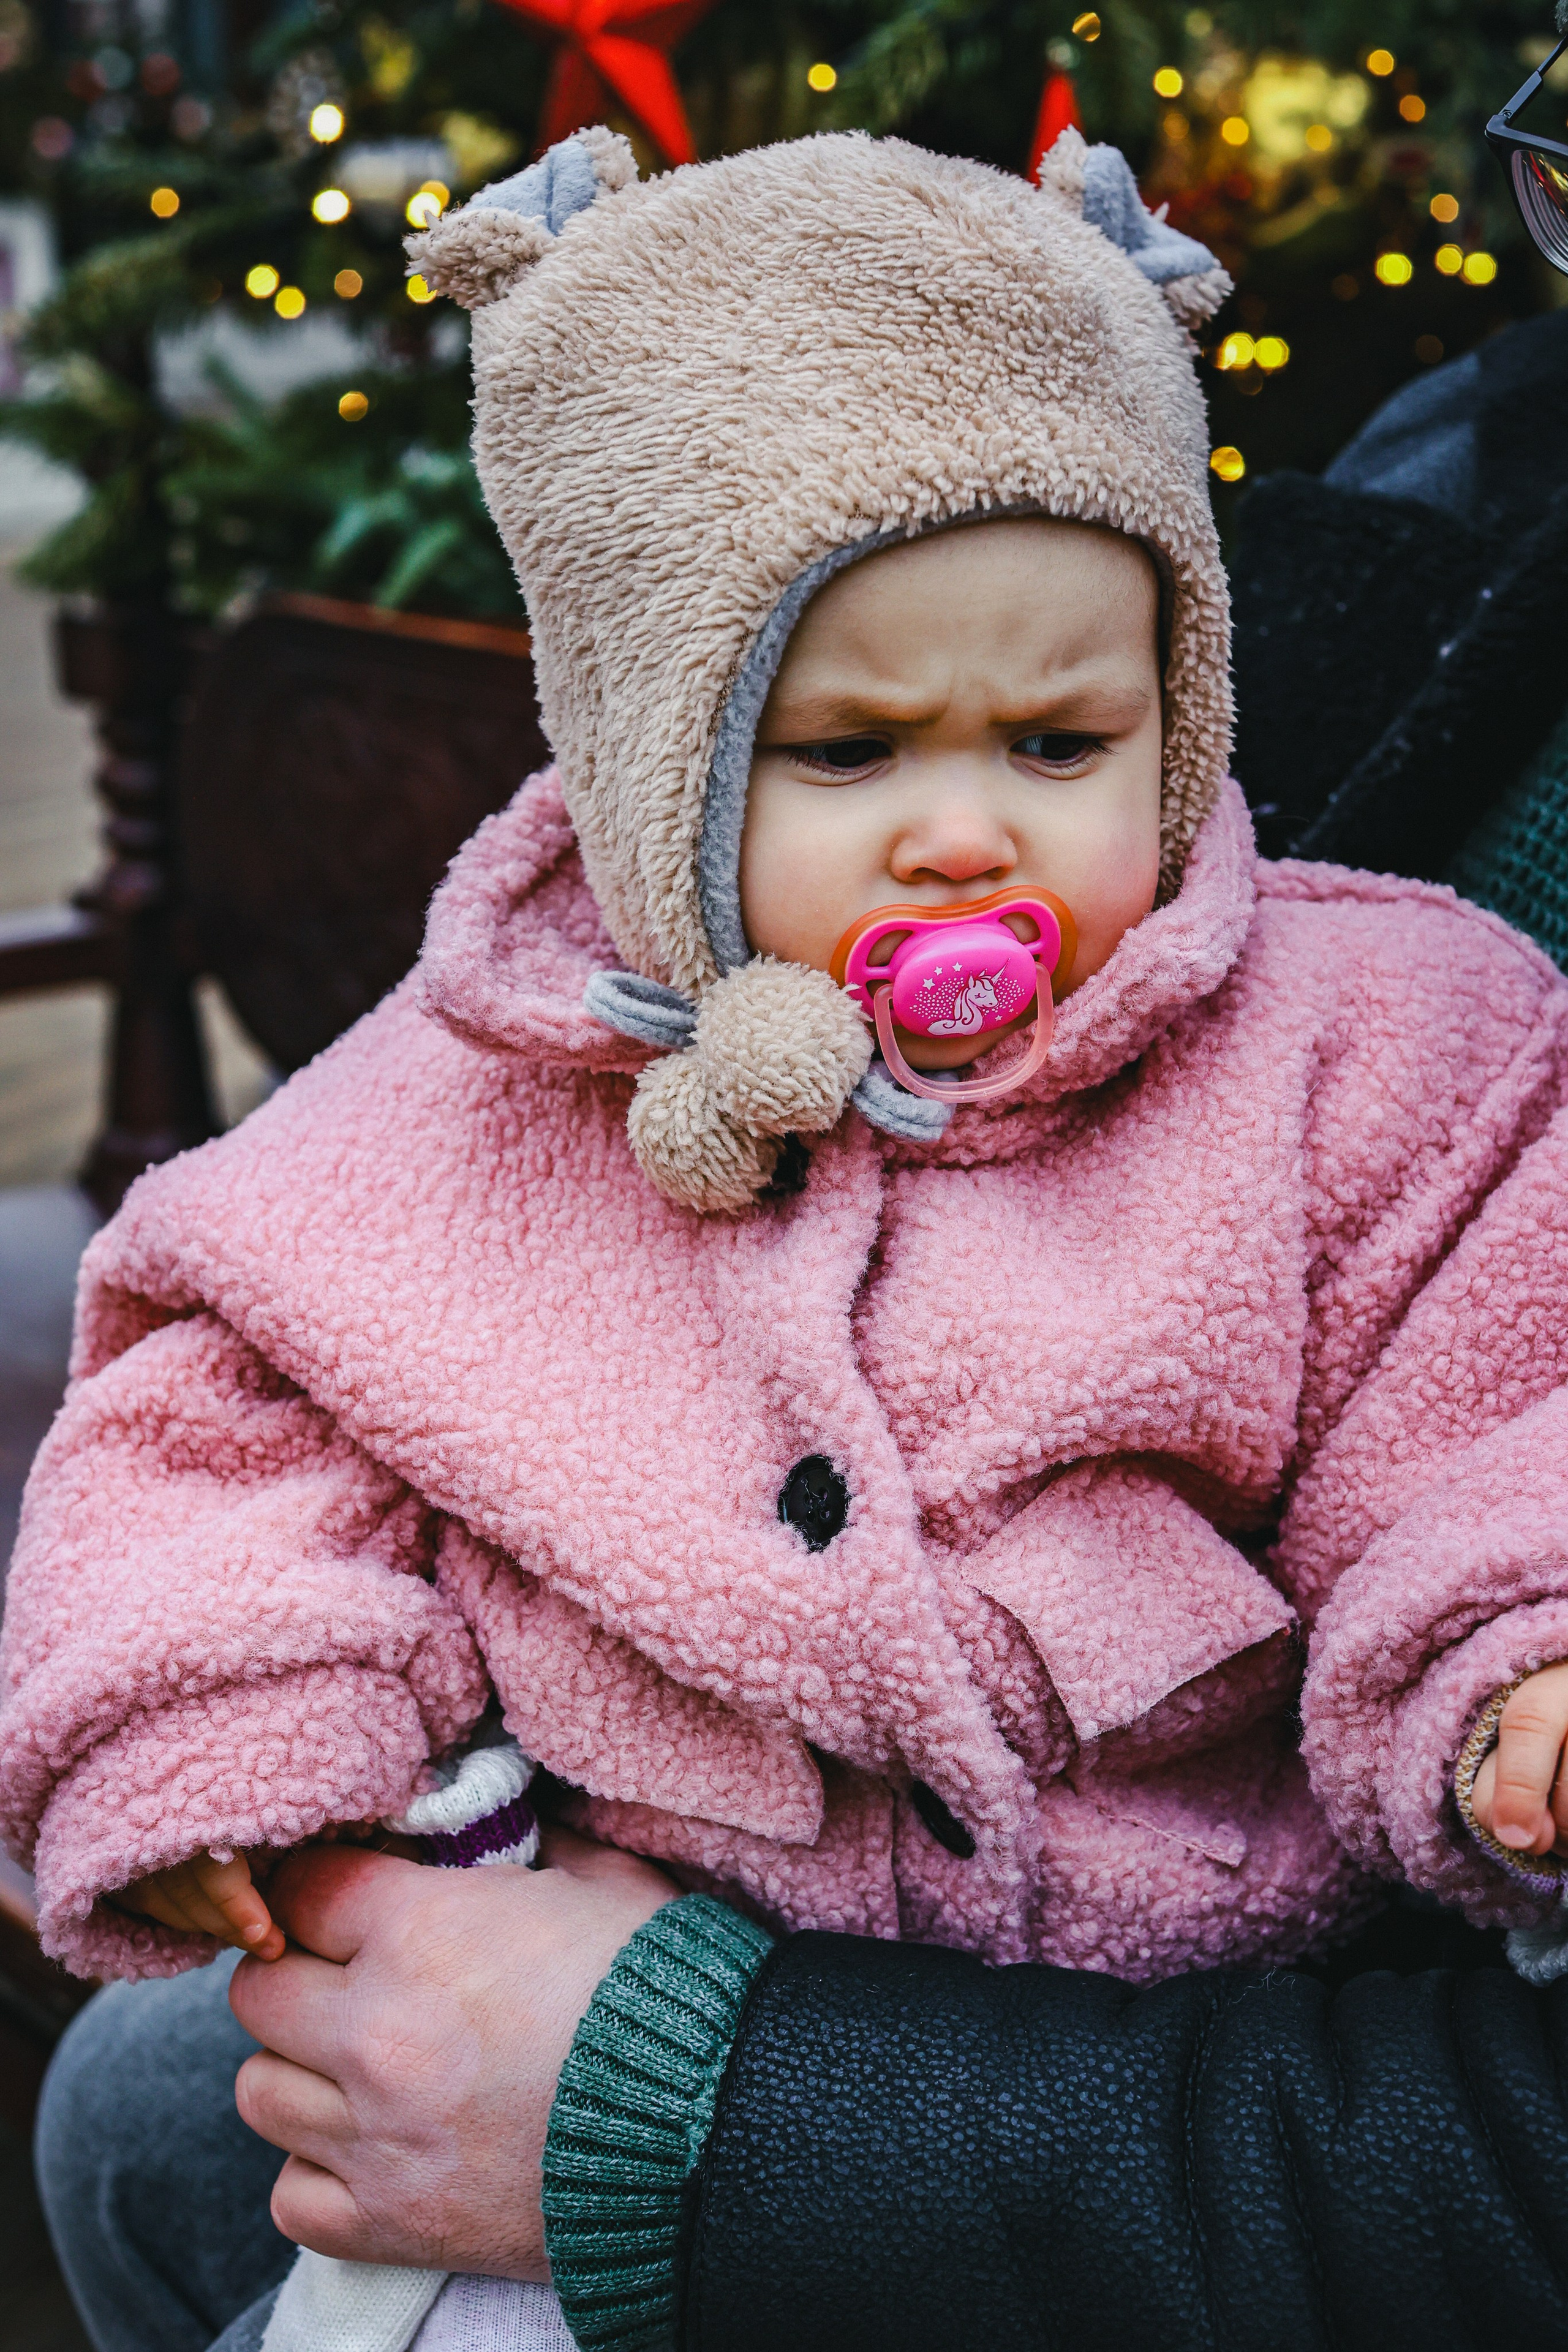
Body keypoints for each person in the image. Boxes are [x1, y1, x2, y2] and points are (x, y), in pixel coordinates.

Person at [13, 120, 1568, 2351]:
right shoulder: (490, 1086)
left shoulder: (1369, 1048)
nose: (967, 835)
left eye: (1061, 738)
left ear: (1182, 708)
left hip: (1186, 1982)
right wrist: (216, 1738)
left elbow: (1492, 1402)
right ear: (655, 759)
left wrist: (1519, 1660)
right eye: (845, 757)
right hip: (619, 1894)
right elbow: (218, 1421)